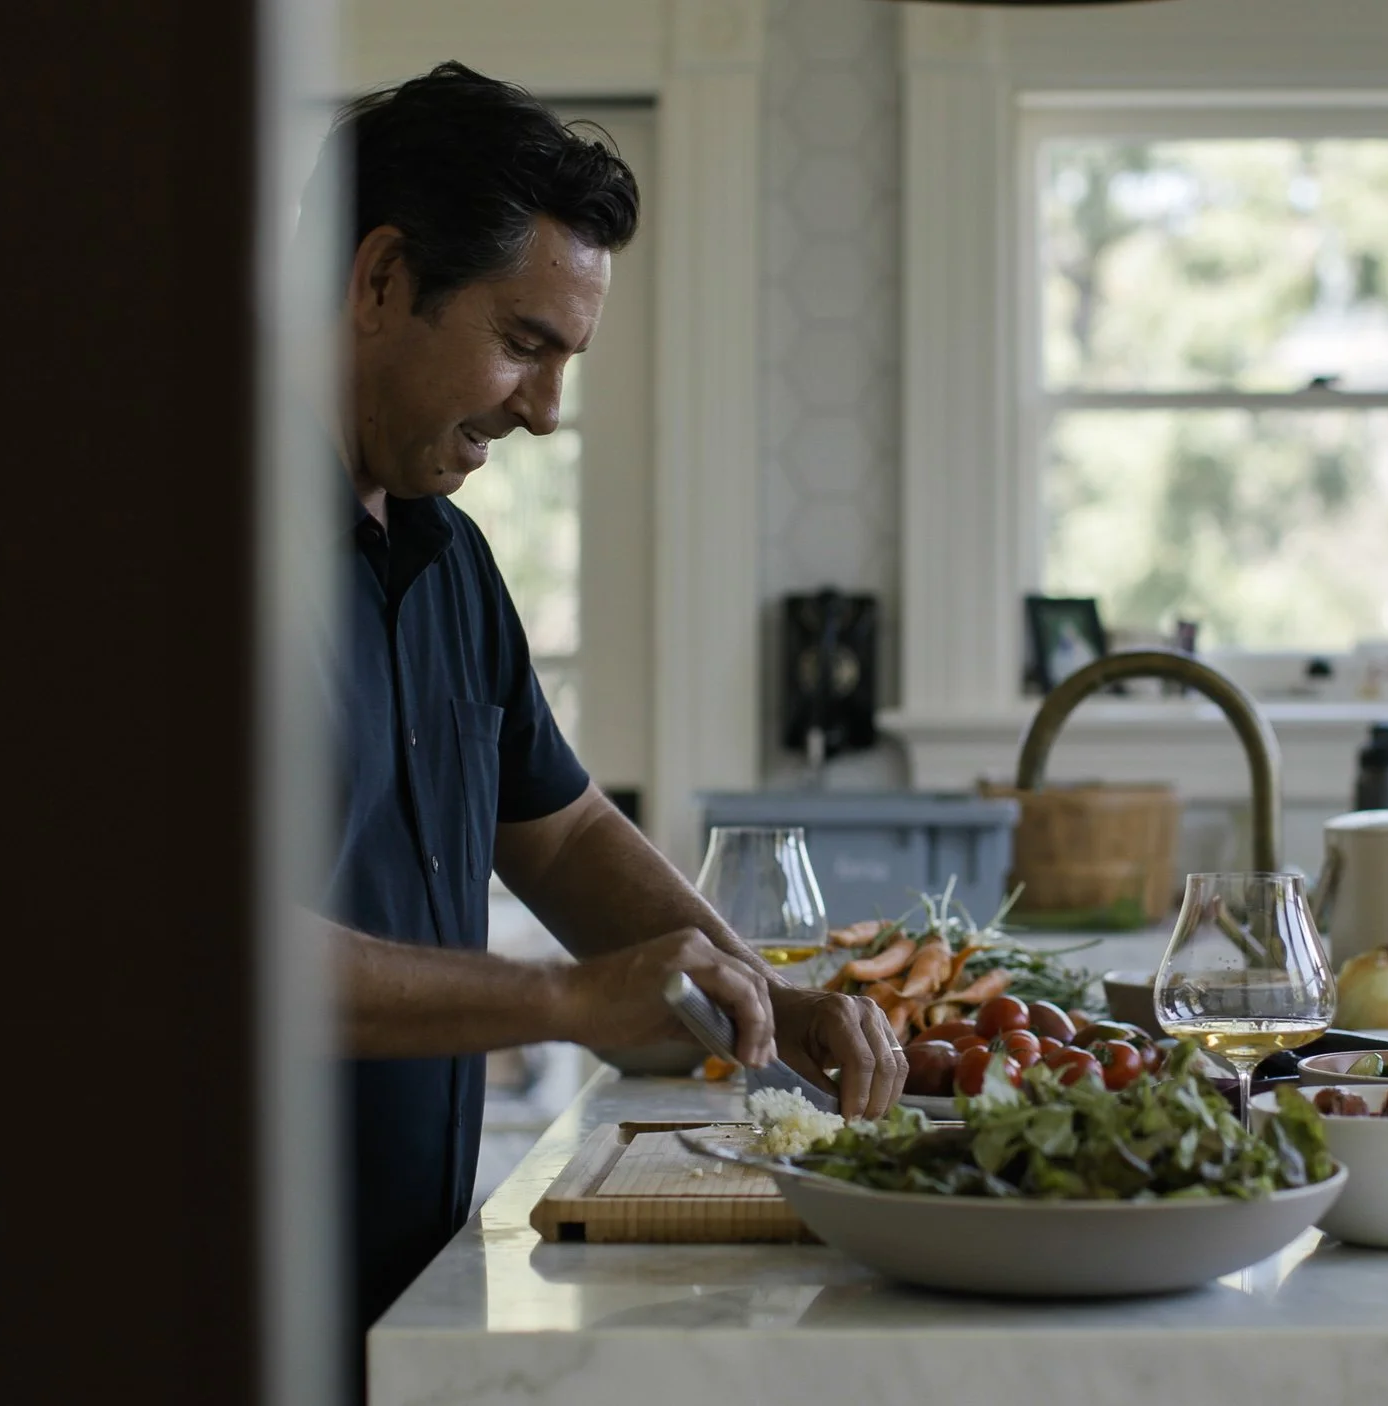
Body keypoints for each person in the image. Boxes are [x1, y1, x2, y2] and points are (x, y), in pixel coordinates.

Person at [302, 61, 906, 1369]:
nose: (546, 409)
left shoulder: (450, 559)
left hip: (404, 1303)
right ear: (382, 278)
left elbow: (564, 833)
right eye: (523, 343)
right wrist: (569, 994)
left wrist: (756, 989)